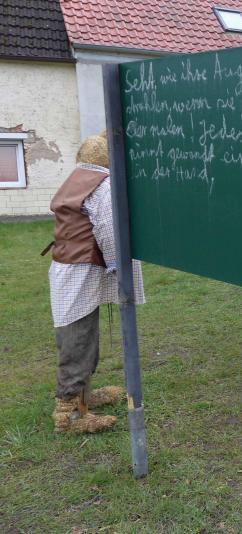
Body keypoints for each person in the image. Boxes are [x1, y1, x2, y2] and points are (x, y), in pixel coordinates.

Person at [44, 132, 145, 434]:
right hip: (79, 271)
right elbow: (109, 229)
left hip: (68, 269)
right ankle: (68, 416)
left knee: (82, 336)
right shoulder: (102, 183)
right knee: (77, 340)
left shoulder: (78, 178)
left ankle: (84, 397)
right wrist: (118, 267)